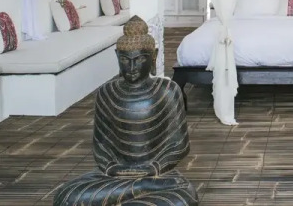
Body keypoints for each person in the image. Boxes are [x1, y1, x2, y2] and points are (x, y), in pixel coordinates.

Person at [53, 16, 198, 206]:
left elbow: (179, 145)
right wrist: (111, 167)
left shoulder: (168, 91)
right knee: (66, 196)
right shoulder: (106, 92)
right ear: (117, 57)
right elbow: (101, 145)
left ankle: (143, 187)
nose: (131, 67)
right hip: (115, 176)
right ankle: (143, 188)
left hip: (157, 174)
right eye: (125, 59)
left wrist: (154, 168)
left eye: (140, 59)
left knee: (182, 197)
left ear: (153, 56)